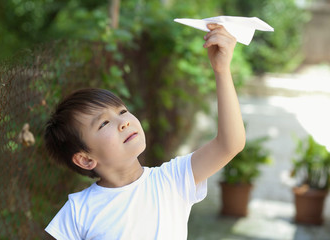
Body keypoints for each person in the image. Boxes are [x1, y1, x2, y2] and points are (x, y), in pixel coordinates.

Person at [44, 23, 246, 240]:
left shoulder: (171, 180)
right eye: (103, 123)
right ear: (85, 159)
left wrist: (222, 70)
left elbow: (230, 144)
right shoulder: (78, 212)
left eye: (122, 111)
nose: (123, 122)